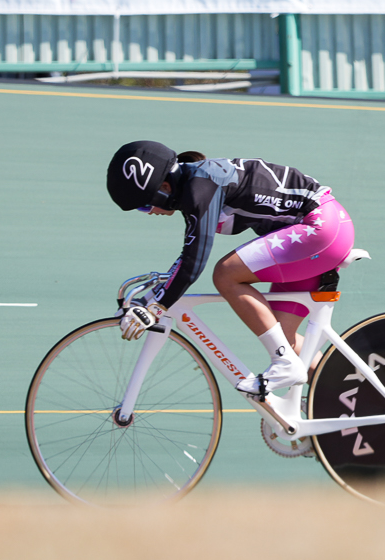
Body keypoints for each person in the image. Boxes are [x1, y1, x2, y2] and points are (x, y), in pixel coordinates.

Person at [104, 141, 354, 399]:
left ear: (164, 188)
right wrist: (148, 300)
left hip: (320, 228)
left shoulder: (200, 187)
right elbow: (187, 257)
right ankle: (353, 395)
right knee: (281, 337)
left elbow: (194, 261)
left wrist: (156, 307)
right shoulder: (195, 183)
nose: (148, 213)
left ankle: (285, 365)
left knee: (225, 274)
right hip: (321, 231)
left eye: (145, 205)